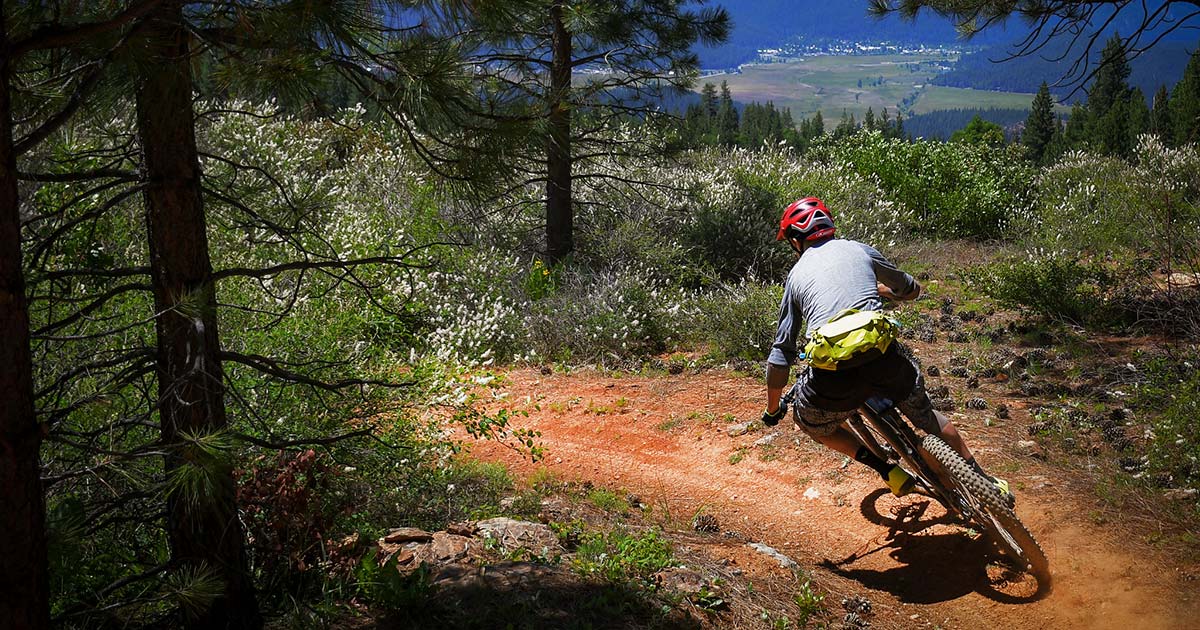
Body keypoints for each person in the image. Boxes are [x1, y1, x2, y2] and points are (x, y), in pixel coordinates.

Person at [761, 197, 1010, 500]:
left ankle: (886, 469)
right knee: (928, 418)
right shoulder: (858, 249)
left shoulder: (796, 276)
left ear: (795, 241)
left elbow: (780, 354)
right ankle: (987, 482)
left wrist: (773, 409)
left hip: (834, 379)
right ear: (828, 225)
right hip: (885, 361)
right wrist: (896, 292)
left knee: (811, 422)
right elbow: (908, 287)